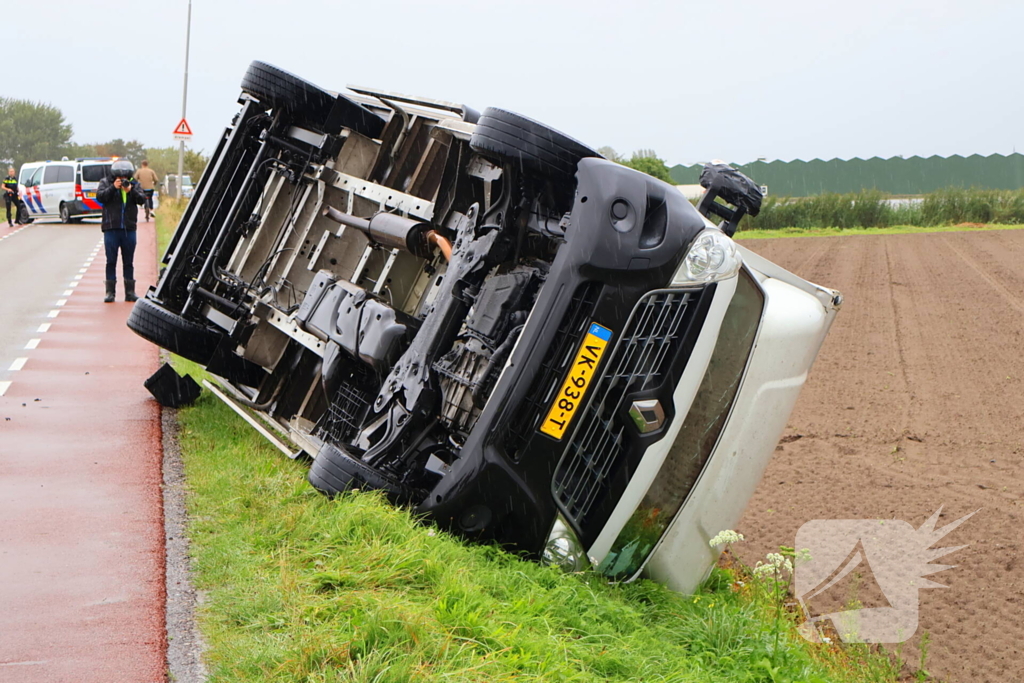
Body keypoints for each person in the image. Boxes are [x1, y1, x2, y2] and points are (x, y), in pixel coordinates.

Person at [96, 159, 146, 303]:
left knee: (128, 262)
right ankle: (110, 292)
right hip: (111, 228)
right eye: (120, 179)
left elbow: (142, 199)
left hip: (129, 228)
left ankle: (130, 292)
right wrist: (113, 187)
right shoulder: (105, 182)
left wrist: (130, 191)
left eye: (125, 179)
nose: (123, 181)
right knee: (110, 260)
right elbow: (101, 197)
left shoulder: (134, 184)